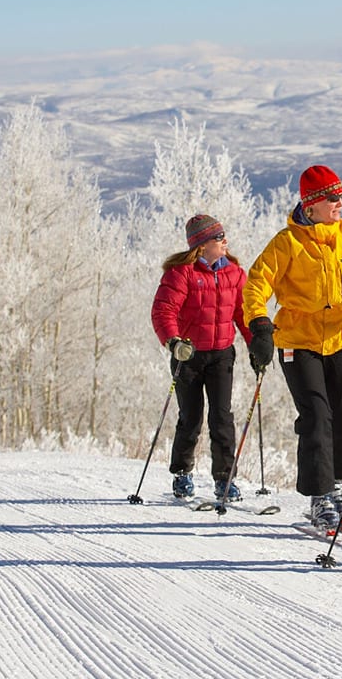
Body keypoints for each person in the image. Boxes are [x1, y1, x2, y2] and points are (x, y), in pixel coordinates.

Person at [243, 165, 342, 531]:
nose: (341, 203)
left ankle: (338, 486)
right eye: (333, 197)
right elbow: (257, 283)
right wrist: (259, 323)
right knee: (317, 417)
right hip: (298, 341)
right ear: (313, 203)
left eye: (341, 196)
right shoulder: (287, 243)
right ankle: (320, 497)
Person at [151, 214, 253, 503]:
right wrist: (173, 342)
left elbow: (243, 315)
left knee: (222, 417)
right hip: (189, 355)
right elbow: (163, 311)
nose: (225, 241)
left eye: (223, 236)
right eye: (219, 238)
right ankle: (182, 473)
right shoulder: (181, 273)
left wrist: (254, 344)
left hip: (221, 354)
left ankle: (224, 479)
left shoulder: (234, 272)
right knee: (191, 417)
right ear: (202, 245)